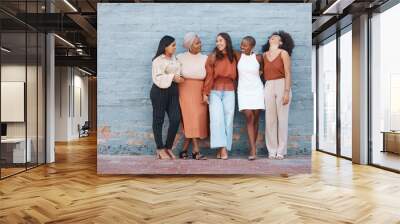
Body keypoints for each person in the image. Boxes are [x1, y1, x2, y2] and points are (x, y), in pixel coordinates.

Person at [203, 33, 238, 160]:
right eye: (217, 41)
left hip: (230, 91)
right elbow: (209, 76)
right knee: (217, 120)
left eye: (221, 40)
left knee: (228, 121)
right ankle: (223, 150)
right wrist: (205, 93)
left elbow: (247, 59)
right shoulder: (212, 57)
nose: (218, 43)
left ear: (227, 41)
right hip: (215, 92)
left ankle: (221, 148)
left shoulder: (234, 55)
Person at [262, 31, 295, 160]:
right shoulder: (264, 55)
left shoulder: (283, 53)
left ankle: (281, 151)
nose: (273, 38)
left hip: (282, 84)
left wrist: (286, 92)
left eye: (276, 37)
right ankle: (272, 150)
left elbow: (288, 73)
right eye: (271, 37)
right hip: (269, 85)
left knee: (282, 119)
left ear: (281, 42)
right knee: (270, 120)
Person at [150, 35, 184, 159]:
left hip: (173, 91)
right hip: (159, 91)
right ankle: (160, 148)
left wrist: (178, 78)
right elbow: (157, 78)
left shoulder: (175, 59)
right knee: (158, 120)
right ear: (165, 46)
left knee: (175, 119)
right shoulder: (158, 60)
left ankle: (168, 147)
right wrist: (173, 77)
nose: (175, 47)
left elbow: (177, 72)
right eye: (173, 45)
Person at [177, 32, 208, 160]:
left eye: (200, 42)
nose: (200, 44)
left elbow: (208, 77)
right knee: (190, 119)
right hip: (185, 90)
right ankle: (196, 150)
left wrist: (205, 92)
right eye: (197, 43)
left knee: (198, 120)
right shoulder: (180, 57)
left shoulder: (205, 58)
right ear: (189, 45)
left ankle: (184, 150)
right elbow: (176, 75)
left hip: (200, 90)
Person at [237, 36, 264, 160]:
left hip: (257, 90)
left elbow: (263, 71)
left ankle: (253, 147)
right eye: (242, 44)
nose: (242, 47)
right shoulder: (238, 56)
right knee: (249, 116)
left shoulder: (258, 58)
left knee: (256, 118)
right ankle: (253, 149)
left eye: (245, 45)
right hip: (243, 90)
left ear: (252, 47)